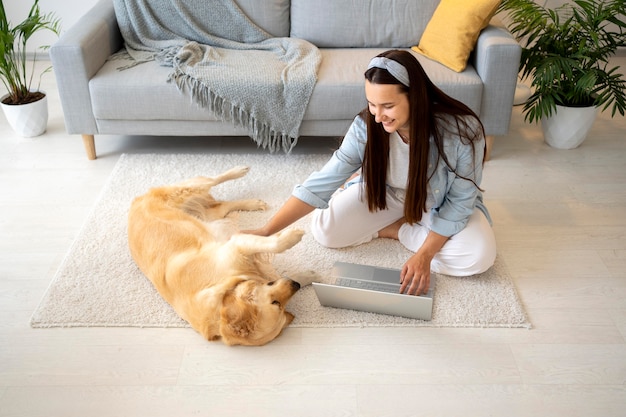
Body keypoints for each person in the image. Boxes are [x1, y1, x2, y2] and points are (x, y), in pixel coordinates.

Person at [247, 49, 496, 296]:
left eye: (388, 106)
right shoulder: (365, 127)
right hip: (387, 195)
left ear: (416, 97)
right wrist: (266, 232)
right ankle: (385, 215)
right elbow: (320, 184)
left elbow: (460, 200)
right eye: (372, 104)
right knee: (326, 231)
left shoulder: (462, 132)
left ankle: (398, 230)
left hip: (436, 204)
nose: (378, 116)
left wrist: (425, 255)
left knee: (478, 257)